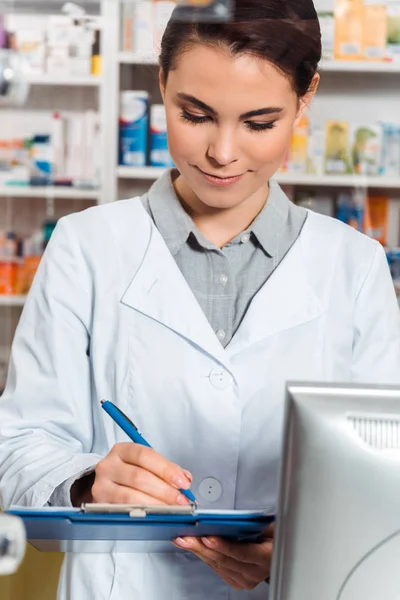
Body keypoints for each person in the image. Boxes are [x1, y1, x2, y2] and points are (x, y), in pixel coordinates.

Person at [1, 0, 399, 598]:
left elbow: (384, 473)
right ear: (161, 84)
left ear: (306, 96)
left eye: (260, 123)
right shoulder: (86, 246)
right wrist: (87, 481)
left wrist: (297, 547)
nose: (222, 152)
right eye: (195, 114)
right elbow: (18, 444)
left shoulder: (356, 267)